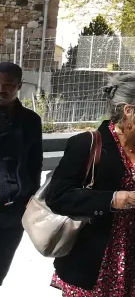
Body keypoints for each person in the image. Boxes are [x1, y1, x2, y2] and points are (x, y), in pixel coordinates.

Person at [47, 74, 135, 297]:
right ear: (128, 110)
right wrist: (112, 199)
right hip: (90, 258)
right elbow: (58, 196)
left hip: (133, 257)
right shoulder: (86, 144)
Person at [0, 62, 41, 286]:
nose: (1, 90)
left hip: (15, 211)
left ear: (19, 86)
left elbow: (35, 163)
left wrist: (31, 198)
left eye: (8, 85)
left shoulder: (31, 121)